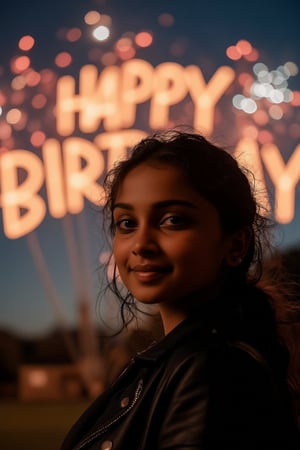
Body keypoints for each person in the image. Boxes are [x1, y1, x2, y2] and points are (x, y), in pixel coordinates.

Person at [61, 130, 300, 450]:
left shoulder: (211, 372)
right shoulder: (182, 362)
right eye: (127, 223)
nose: (141, 245)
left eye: (173, 220)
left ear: (236, 244)